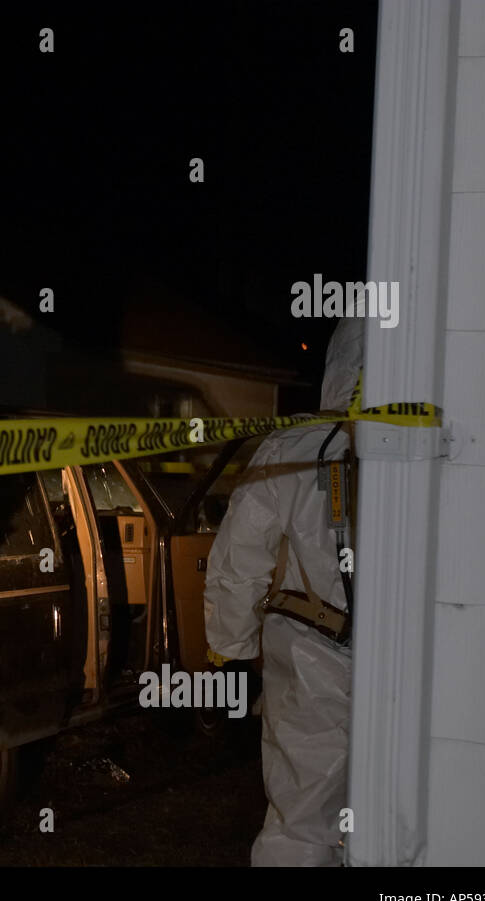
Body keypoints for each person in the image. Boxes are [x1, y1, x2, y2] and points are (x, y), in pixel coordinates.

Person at [203, 317, 363, 866]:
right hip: (413, 665)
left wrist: (233, 652)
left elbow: (238, 560)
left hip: (312, 651)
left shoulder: (293, 445)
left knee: (301, 818)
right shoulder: (440, 446)